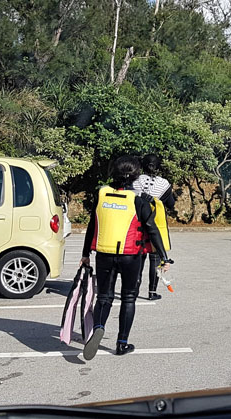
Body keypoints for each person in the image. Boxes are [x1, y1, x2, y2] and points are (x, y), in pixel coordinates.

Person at [80, 155, 172, 360]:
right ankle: (121, 343)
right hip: (131, 256)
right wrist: (164, 258)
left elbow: (92, 225)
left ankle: (98, 326)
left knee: (104, 297)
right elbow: (153, 230)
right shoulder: (138, 201)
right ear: (136, 177)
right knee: (128, 298)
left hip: (104, 253)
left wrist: (85, 254)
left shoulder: (102, 194)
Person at [133, 153, 175, 301]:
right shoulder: (164, 184)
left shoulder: (135, 180)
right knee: (155, 259)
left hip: (138, 223)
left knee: (139, 258)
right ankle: (152, 292)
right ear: (158, 167)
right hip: (156, 223)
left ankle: (134, 290)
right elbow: (171, 203)